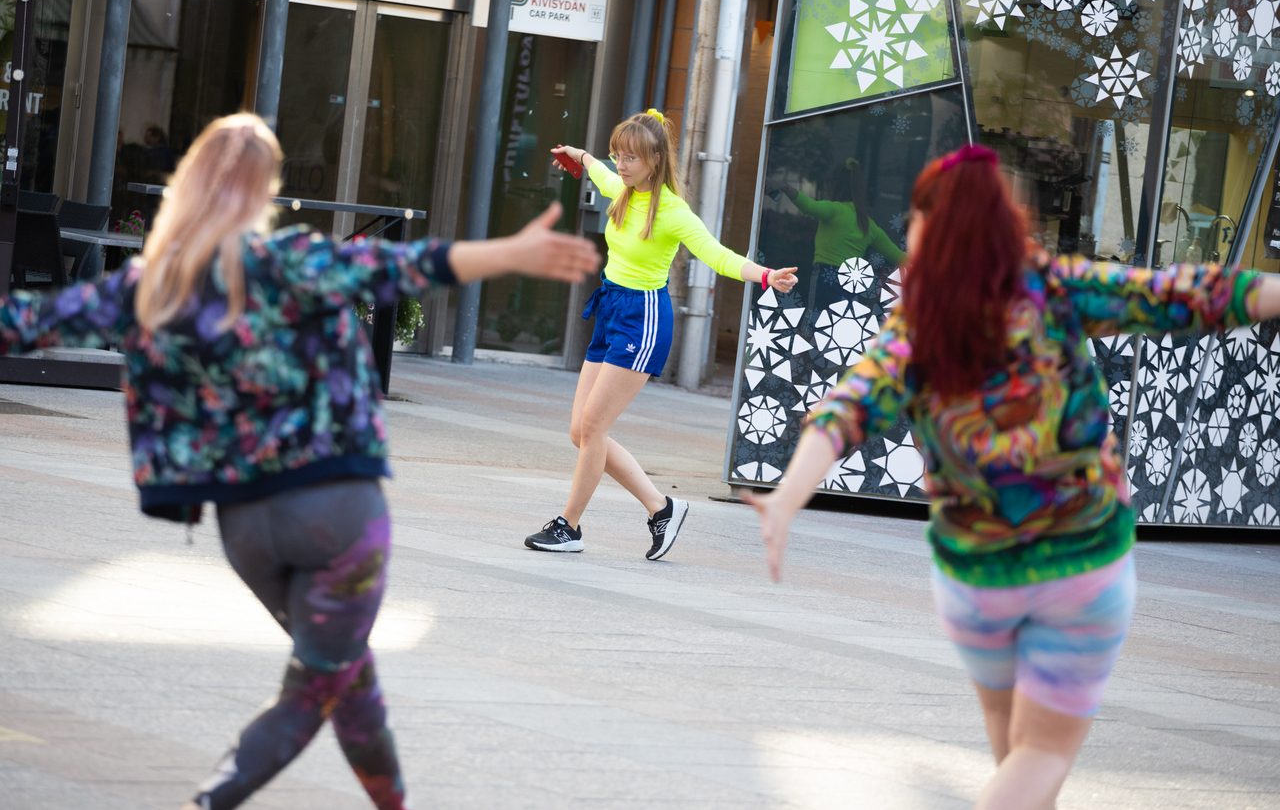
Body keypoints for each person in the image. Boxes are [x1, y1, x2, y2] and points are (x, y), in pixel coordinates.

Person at [0, 113, 601, 810]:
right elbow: (401, 266)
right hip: (338, 513)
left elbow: (29, 320)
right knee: (316, 680)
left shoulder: (155, 282)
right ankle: (213, 797)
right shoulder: (295, 260)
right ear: (265, 190)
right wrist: (508, 252)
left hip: (247, 527)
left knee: (343, 668)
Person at [745, 144, 1280, 810]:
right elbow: (1182, 296)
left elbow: (847, 409)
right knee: (1041, 758)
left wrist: (787, 497)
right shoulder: (1051, 287)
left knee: (1017, 758)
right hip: (1078, 561)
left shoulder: (918, 326)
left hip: (977, 578)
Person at [530, 109, 799, 559]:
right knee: (580, 431)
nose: (621, 163)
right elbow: (594, 166)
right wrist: (575, 155)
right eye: (619, 154)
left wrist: (767, 276)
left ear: (655, 159)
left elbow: (717, 255)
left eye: (630, 157)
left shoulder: (673, 211)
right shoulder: (621, 189)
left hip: (644, 318)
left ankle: (568, 526)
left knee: (594, 427)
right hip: (611, 307)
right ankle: (661, 507)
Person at [766, 157, 905, 316]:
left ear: (833, 186)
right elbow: (899, 257)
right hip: (851, 283)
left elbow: (809, 206)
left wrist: (784, 187)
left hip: (825, 277)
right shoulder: (868, 225)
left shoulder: (835, 210)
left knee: (810, 328)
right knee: (840, 333)